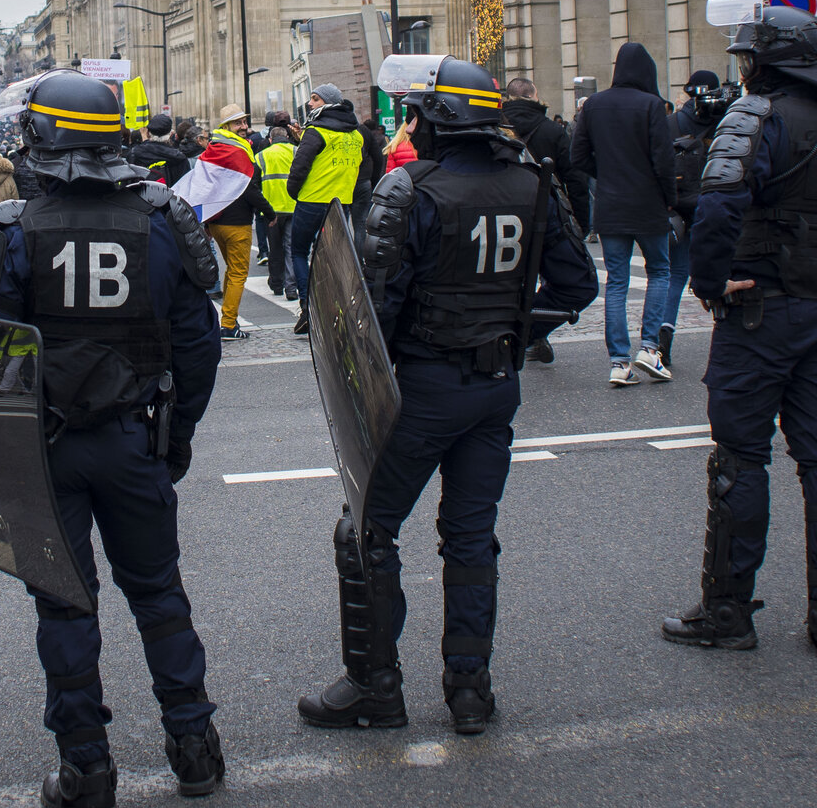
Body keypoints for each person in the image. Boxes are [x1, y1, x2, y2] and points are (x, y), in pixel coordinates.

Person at [0, 72, 225, 808]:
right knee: (159, 593)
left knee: (66, 607)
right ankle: (195, 747)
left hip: (45, 450)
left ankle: (87, 771)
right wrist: (178, 431)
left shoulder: (10, 228)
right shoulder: (164, 216)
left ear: (38, 138)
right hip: (136, 436)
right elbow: (199, 344)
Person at [299, 58, 595, 735]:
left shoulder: (410, 187)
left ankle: (374, 687)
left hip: (427, 387)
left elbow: (373, 308)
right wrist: (515, 326)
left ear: (436, 120)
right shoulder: (534, 183)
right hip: (497, 385)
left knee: (367, 529)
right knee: (469, 536)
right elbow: (578, 287)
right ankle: (470, 689)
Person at [663, 4, 817, 660]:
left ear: (766, 61)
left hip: (760, 309)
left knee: (741, 457)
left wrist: (713, 283)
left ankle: (728, 609)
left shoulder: (757, 116)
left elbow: (718, 204)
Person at [571, 42, 678, 386]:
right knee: (660, 271)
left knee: (616, 283)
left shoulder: (594, 105)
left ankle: (619, 362)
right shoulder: (652, 105)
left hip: (611, 203)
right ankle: (649, 347)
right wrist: (669, 198)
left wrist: (606, 174)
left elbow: (578, 156)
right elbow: (664, 160)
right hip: (648, 202)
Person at [285, 84, 387, 335]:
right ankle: (338, 305)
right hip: (341, 203)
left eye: (315, 99)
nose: (310, 104)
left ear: (327, 103)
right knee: (333, 256)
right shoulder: (357, 133)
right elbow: (374, 160)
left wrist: (294, 192)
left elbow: (300, 167)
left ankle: (307, 305)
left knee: (299, 251)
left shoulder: (316, 131)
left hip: (312, 201)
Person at [664, 73, 737, 372]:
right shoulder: (725, 119)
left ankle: (662, 339)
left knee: (675, 274)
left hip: (679, 204)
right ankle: (731, 336)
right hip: (713, 203)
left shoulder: (672, 123)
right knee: (722, 268)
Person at [196, 107, 263, 339]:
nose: (244, 126)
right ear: (226, 128)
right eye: (237, 123)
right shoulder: (237, 152)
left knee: (231, 272)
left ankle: (226, 318)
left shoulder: (213, 150)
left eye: (244, 121)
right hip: (237, 222)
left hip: (217, 221)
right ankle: (228, 324)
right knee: (237, 274)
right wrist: (269, 212)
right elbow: (250, 189)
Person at [499, 77, 584, 235]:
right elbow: (575, 179)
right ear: (532, 96)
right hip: (548, 212)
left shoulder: (496, 129)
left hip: (505, 213)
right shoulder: (553, 130)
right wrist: (580, 223)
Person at [257, 113, 300, 296]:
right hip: (293, 206)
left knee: (274, 249)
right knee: (291, 248)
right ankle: (292, 288)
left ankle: (276, 284)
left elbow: (254, 184)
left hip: (271, 210)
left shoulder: (261, 156)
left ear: (271, 139)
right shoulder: (295, 152)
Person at [128, 112, 192, 186]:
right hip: (171, 196)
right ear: (171, 134)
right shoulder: (180, 158)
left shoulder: (135, 154)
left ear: (148, 134)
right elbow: (185, 186)